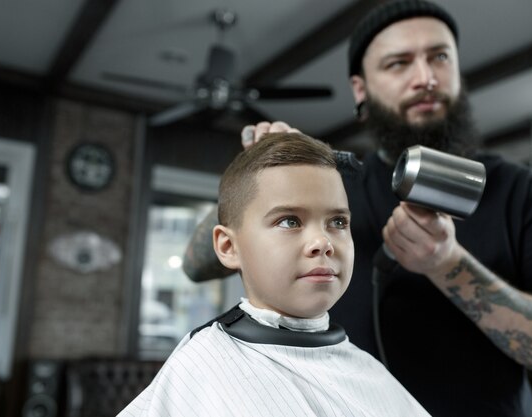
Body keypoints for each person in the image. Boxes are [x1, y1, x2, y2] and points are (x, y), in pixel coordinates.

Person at [182, 1, 532, 416]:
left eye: (439, 57)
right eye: (399, 63)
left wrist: (448, 263)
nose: (425, 78)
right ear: (361, 90)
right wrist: (261, 178)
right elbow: (197, 265)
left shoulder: (517, 191)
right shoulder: (336, 189)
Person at [119, 132, 431, 417]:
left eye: (337, 222)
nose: (323, 243)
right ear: (228, 246)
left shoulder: (367, 371)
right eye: (289, 222)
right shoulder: (201, 366)